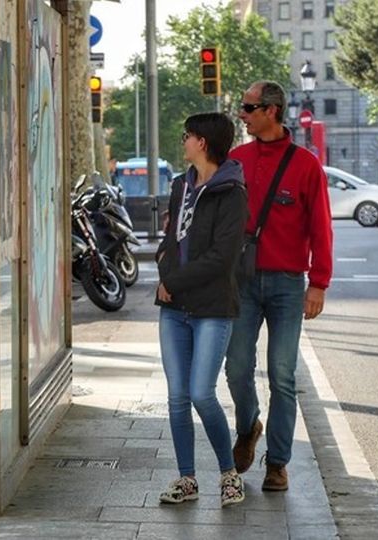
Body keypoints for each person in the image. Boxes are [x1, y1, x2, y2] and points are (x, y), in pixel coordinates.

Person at [225, 81, 333, 492]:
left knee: (283, 375)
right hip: (243, 281)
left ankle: (278, 463)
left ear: (271, 111)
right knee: (235, 366)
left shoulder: (306, 165)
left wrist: (318, 283)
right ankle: (249, 424)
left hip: (289, 285)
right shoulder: (237, 158)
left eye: (249, 107)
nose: (242, 114)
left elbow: (321, 229)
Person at [155, 113, 249, 508]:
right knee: (177, 397)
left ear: (204, 143)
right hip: (174, 309)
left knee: (200, 393)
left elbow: (222, 257)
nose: (184, 140)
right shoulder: (181, 185)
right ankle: (187, 479)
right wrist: (164, 265)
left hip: (212, 307)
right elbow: (171, 240)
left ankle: (229, 475)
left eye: (188, 135)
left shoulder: (232, 192)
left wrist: (173, 281)